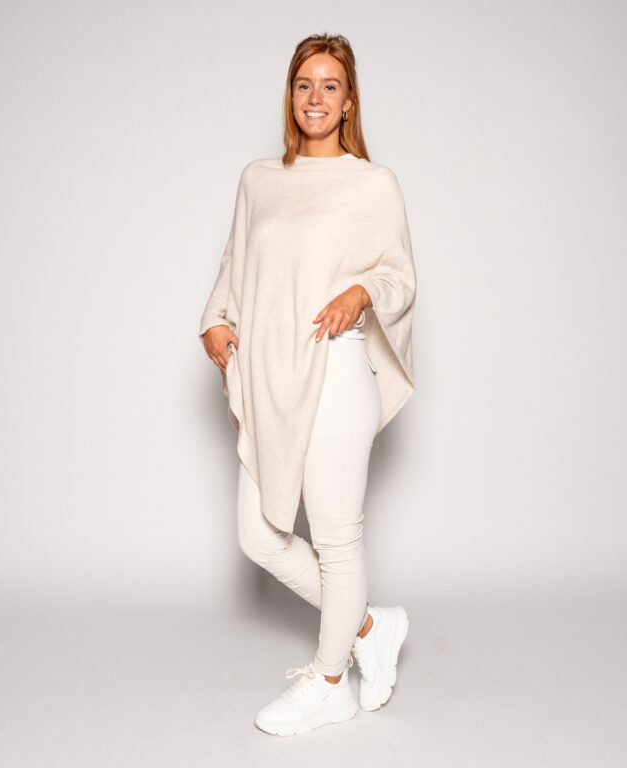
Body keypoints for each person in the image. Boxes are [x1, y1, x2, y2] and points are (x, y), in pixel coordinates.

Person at [199, 33, 417, 736]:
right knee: (260, 537)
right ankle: (369, 626)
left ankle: (330, 683)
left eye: (330, 86)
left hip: (334, 368)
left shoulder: (371, 183)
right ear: (290, 96)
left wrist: (362, 290)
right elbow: (235, 264)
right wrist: (214, 320)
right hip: (267, 374)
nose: (315, 97)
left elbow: (400, 276)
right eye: (304, 84)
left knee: (336, 539)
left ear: (349, 102)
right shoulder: (259, 179)